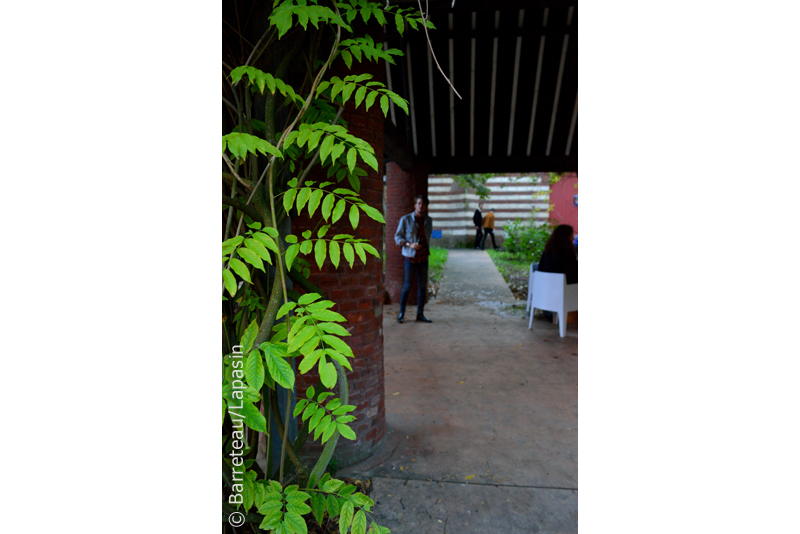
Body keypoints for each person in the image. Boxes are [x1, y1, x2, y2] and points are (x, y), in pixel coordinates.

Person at [394, 195, 433, 323]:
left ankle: (420, 314)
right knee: (407, 286)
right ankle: (401, 314)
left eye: (423, 204)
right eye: (419, 203)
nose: (421, 206)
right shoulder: (405, 220)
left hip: (423, 258)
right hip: (410, 257)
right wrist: (409, 244)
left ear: (426, 206)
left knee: (422, 287)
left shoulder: (429, 220)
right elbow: (397, 238)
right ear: (415, 205)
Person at [537, 224, 578, 321]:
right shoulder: (567, 253)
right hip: (562, 294)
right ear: (566, 236)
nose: (572, 237)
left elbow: (540, 268)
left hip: (546, 293)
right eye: (571, 235)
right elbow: (572, 273)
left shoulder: (548, 250)